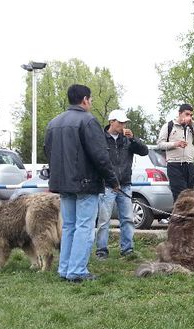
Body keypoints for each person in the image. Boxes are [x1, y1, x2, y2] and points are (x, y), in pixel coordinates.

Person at [44, 84, 119, 282]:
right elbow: (100, 156)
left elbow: (48, 152)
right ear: (85, 99)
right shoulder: (88, 121)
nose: (91, 103)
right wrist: (113, 180)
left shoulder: (53, 123)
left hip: (62, 183)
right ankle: (77, 271)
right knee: (85, 227)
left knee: (69, 226)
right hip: (86, 183)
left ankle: (65, 268)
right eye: (91, 99)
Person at [95, 109, 149, 259]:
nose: (123, 125)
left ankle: (127, 250)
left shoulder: (127, 140)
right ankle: (101, 251)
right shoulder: (101, 139)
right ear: (111, 122)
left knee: (127, 219)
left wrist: (134, 139)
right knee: (104, 220)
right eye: (120, 122)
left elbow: (144, 151)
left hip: (125, 184)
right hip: (107, 185)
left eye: (124, 122)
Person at [156, 103, 194, 201]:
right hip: (174, 165)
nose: (189, 117)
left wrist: (192, 123)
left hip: (189, 165)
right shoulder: (169, 125)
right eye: (187, 114)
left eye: (191, 115)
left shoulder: (191, 127)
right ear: (180, 113)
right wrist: (176, 144)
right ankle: (179, 216)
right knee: (181, 196)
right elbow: (160, 144)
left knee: (189, 196)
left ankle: (188, 216)